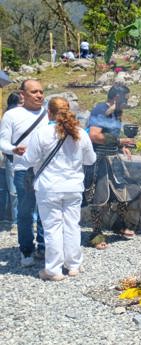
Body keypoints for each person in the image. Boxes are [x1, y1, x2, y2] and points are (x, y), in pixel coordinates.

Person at [23, 97, 96, 281]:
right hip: (73, 187)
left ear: (49, 112)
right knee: (72, 225)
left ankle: (53, 270)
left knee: (52, 228)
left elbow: (30, 160)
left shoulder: (42, 133)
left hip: (49, 188)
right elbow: (90, 160)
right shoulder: (80, 133)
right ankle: (73, 265)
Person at [85, 84, 141, 250]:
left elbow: (110, 135)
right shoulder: (100, 109)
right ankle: (96, 233)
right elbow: (94, 135)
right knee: (99, 199)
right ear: (117, 97)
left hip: (113, 159)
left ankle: (119, 224)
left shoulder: (116, 113)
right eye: (126, 98)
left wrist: (119, 146)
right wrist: (118, 142)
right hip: (99, 160)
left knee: (126, 192)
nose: (127, 102)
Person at [0, 80, 48, 267]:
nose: (39, 95)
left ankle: (44, 247)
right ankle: (26, 249)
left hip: (47, 170)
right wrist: (13, 149)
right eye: (34, 91)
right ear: (22, 94)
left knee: (46, 211)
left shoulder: (48, 114)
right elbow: (2, 142)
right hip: (23, 170)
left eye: (41, 91)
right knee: (26, 212)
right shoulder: (12, 115)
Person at [0, 92, 21, 228]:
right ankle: (15, 220)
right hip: (11, 156)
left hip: (13, 157)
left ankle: (14, 220)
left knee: (12, 190)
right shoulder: (8, 118)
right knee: (13, 190)